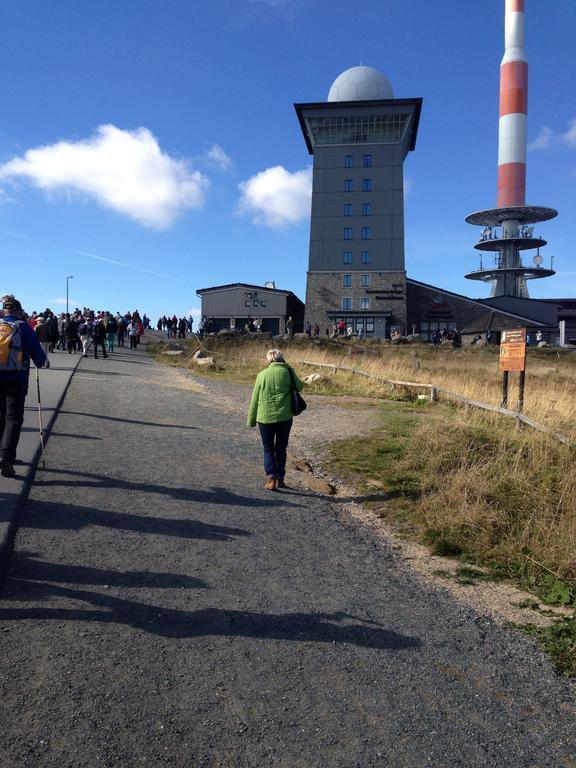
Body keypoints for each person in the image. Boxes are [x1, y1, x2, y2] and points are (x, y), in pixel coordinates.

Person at [0, 295, 48, 478]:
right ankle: (6, 457)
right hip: (16, 379)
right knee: (13, 419)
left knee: (0, 416)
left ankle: (2, 454)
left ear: (5, 310)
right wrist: (41, 361)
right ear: (18, 312)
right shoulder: (23, 327)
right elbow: (39, 356)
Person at [247, 349, 304, 491]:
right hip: (284, 417)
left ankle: (271, 478)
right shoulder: (288, 372)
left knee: (268, 448)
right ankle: (281, 479)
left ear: (269, 360)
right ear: (281, 359)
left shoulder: (261, 375)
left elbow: (255, 399)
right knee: (281, 448)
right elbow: (300, 387)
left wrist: (251, 420)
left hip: (264, 418)